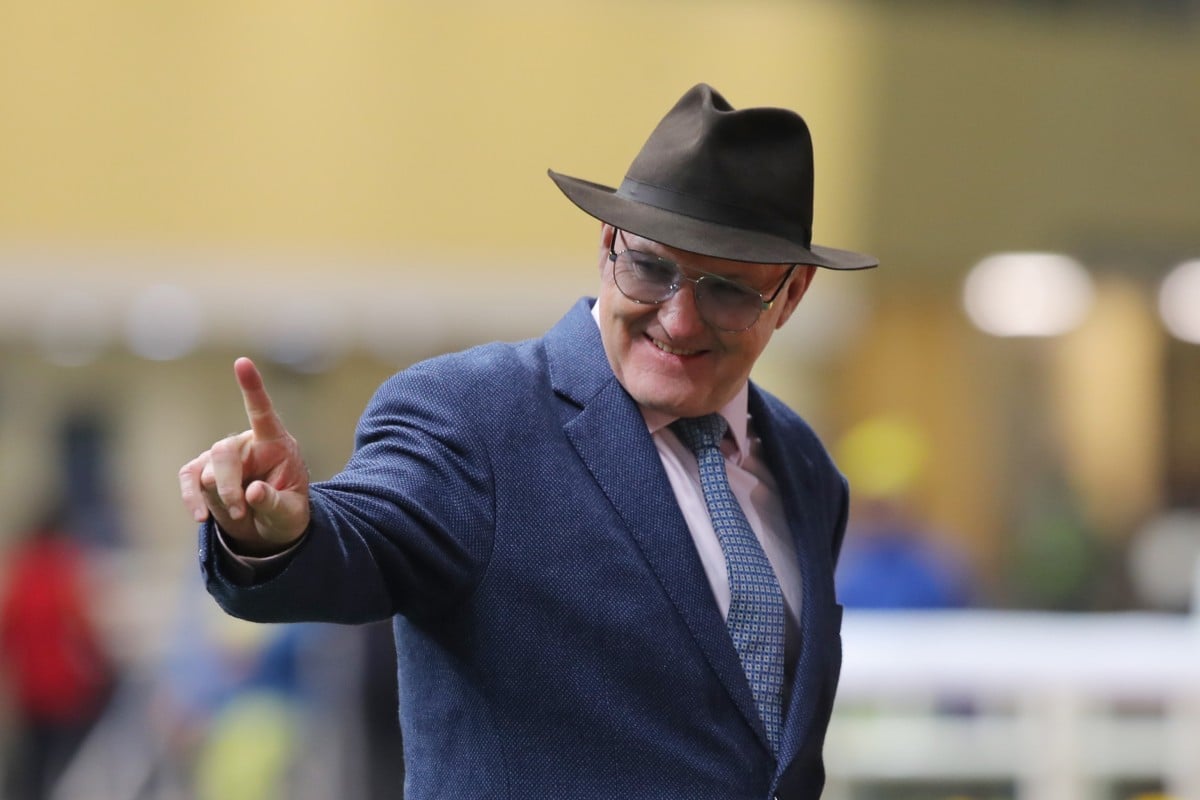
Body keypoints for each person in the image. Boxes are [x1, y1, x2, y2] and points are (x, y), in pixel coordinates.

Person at [178, 83, 878, 799]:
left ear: (792, 295)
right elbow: (367, 532)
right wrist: (278, 537)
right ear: (607, 246)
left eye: (727, 290)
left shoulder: (805, 468)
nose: (679, 320)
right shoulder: (474, 416)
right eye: (651, 269)